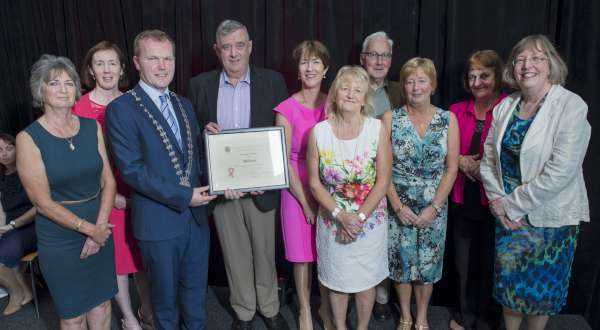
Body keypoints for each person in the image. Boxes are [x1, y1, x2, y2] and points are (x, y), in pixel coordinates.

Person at [105, 30, 216, 330]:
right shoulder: (121, 109)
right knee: (164, 306)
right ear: (137, 62)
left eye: (168, 58)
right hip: (158, 224)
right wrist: (184, 196)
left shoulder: (184, 104)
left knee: (196, 301)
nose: (162, 65)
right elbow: (132, 169)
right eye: (154, 58)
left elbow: (192, 161)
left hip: (195, 222)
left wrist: (222, 169)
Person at [480, 35, 591, 330]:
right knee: (509, 289)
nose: (527, 65)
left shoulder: (571, 106)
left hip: (548, 219)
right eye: (520, 59)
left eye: (536, 58)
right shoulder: (507, 105)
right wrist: (496, 202)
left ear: (551, 64)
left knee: (540, 295)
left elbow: (560, 172)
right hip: (507, 218)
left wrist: (511, 205)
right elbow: (489, 156)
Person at [188, 19, 289, 330]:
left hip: (261, 189)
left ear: (250, 48)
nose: (234, 53)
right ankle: (244, 312)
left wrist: (270, 177)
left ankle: (270, 308)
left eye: (239, 45)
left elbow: (281, 134)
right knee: (234, 255)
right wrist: (201, 131)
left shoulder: (272, 81)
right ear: (218, 51)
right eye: (227, 47)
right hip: (223, 189)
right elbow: (190, 136)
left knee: (264, 252)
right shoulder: (199, 85)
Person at [17, 54, 117, 329]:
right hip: (60, 238)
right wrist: (89, 229)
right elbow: (42, 202)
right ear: (41, 90)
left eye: (69, 82)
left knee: (102, 304)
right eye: (54, 83)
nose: (63, 88)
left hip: (99, 225)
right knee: (74, 316)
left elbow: (109, 181)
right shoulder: (28, 138)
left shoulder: (91, 127)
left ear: (77, 88)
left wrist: (99, 229)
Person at [72, 40, 152, 330]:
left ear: (122, 69)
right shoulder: (79, 107)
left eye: (112, 63)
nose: (107, 69)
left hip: (140, 190)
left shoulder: (135, 101)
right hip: (105, 194)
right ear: (91, 70)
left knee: (142, 254)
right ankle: (128, 317)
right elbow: (79, 161)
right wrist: (111, 194)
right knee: (119, 259)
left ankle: (147, 310)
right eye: (99, 63)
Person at [307, 65, 392, 330]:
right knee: (337, 280)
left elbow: (383, 181)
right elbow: (314, 182)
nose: (351, 94)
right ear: (334, 94)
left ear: (365, 97)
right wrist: (341, 216)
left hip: (369, 223)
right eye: (345, 88)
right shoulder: (319, 132)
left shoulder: (376, 129)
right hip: (333, 220)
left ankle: (362, 327)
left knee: (366, 280)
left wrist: (358, 219)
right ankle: (340, 326)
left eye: (358, 90)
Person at [382, 57, 459, 330]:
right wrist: (397, 205)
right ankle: (405, 315)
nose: (415, 87)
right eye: (410, 81)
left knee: (427, 265)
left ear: (433, 85)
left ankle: (423, 316)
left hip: (433, 206)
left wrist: (435, 207)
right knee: (401, 263)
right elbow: (383, 168)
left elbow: (451, 168)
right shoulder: (391, 118)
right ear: (403, 86)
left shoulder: (448, 119)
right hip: (398, 205)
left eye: (421, 81)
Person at [273, 40, 332, 330]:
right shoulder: (285, 108)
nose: (309, 67)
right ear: (297, 70)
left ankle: (326, 307)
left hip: (329, 187)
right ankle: (305, 310)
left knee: (329, 251)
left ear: (325, 69)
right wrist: (306, 200)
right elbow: (283, 161)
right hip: (295, 188)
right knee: (302, 256)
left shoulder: (334, 103)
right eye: (304, 62)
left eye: (315, 62)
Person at [447, 50, 506, 330]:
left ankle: (486, 318)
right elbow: (443, 150)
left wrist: (482, 168)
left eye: (484, 75)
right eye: (472, 76)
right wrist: (459, 161)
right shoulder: (457, 111)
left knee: (491, 262)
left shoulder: (509, 107)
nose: (477, 81)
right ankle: (463, 314)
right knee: (463, 263)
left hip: (496, 200)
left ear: (497, 76)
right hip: (462, 197)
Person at [359, 30, 401, 321]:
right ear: (363, 58)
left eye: (384, 55)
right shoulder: (351, 85)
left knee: (385, 240)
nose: (379, 60)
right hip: (358, 176)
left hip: (394, 177)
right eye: (373, 54)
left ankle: (382, 298)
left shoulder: (401, 89)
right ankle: (356, 295)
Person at [0, 133, 36, 316]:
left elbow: (39, 206)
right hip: (12, 228)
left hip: (34, 226)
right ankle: (23, 286)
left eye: (8, 148)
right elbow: (2, 210)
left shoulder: (29, 170)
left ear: (17, 148)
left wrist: (12, 225)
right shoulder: (2, 178)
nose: (4, 154)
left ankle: (16, 292)